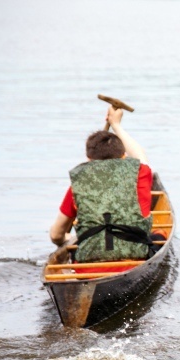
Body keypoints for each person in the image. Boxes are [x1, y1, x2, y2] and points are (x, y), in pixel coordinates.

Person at [48, 107, 158, 263]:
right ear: (123, 156)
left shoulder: (78, 185)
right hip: (134, 257)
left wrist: (66, 241)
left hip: (88, 266)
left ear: (88, 159)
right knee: (158, 235)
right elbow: (140, 156)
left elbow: (55, 235)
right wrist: (116, 125)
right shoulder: (139, 174)